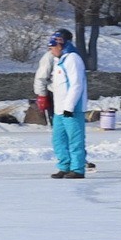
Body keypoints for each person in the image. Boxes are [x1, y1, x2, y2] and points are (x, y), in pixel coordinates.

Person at [47, 30, 88, 179]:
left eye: (52, 47)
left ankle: (77, 168)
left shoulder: (73, 59)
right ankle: (64, 166)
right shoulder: (59, 60)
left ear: (60, 45)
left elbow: (76, 84)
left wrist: (69, 106)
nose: (51, 51)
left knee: (75, 140)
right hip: (59, 109)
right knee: (59, 140)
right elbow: (59, 85)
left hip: (72, 109)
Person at [33, 28, 73, 126]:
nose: (57, 43)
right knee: (58, 123)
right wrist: (42, 95)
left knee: (69, 123)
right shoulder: (49, 57)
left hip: (68, 94)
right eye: (55, 40)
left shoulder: (71, 56)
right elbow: (41, 77)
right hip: (54, 93)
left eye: (60, 40)